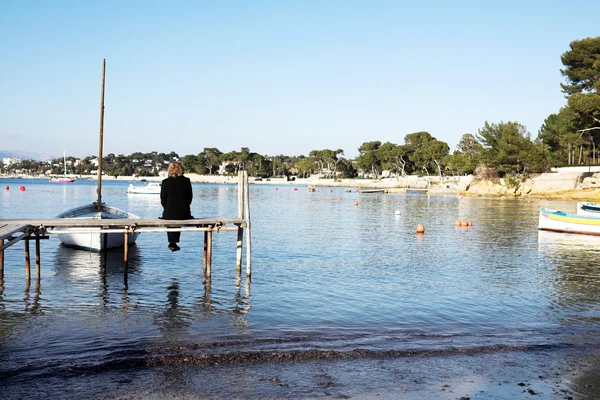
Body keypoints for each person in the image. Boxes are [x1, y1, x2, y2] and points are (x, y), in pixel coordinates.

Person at [160, 161, 193, 251]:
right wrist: (184, 206)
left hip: (169, 213)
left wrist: (167, 207)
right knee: (178, 215)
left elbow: (163, 200)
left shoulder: (165, 182)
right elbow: (189, 198)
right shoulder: (186, 181)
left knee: (171, 215)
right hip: (183, 212)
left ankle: (172, 242)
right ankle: (173, 242)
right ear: (181, 170)